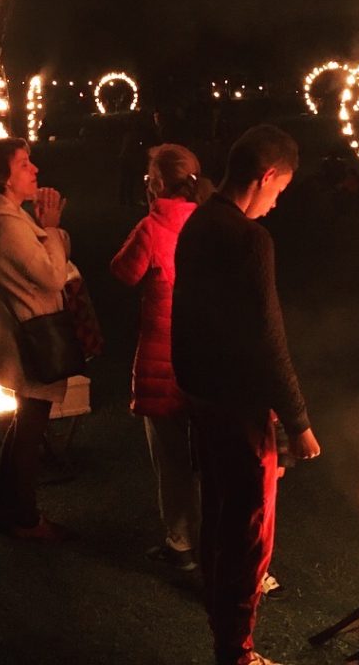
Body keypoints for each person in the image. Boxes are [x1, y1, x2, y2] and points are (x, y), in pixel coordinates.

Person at [172, 124, 321, 665]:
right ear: (266, 176)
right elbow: (268, 335)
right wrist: (298, 422)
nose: (277, 204)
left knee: (217, 515)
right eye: (279, 192)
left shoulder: (199, 221)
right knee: (248, 533)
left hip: (204, 397)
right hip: (237, 407)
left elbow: (186, 314)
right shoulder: (249, 238)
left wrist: (189, 381)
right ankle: (236, 652)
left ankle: (224, 635)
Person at [0, 137, 75, 542]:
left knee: (26, 426)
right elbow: (51, 275)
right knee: (30, 429)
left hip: (29, 336)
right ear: (4, 178)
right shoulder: (6, 225)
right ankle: (24, 519)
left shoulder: (13, 217)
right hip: (34, 339)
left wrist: (49, 231)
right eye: (24, 164)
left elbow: (55, 254)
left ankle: (9, 511)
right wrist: (51, 228)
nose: (36, 170)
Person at [111, 144, 211, 571]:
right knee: (210, 458)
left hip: (162, 358)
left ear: (154, 184)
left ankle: (181, 545)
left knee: (170, 458)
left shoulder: (153, 227)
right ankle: (216, 543)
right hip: (208, 355)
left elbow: (123, 271)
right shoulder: (214, 221)